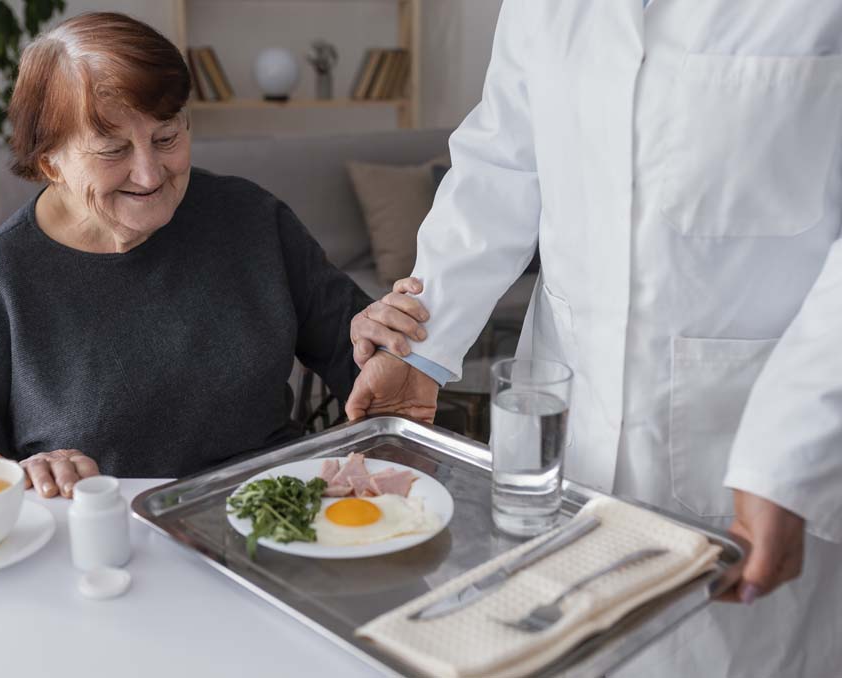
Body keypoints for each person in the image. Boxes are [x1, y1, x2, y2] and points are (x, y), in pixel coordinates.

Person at [344, 2, 842, 676]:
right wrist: (424, 347)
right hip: (559, 446)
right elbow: (502, 163)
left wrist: (785, 462)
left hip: (755, 451)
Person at [0, 12, 423, 499]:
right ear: (49, 162)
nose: (150, 173)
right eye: (113, 150)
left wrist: (387, 352)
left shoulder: (250, 217)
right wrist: (25, 476)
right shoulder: (2, 278)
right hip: (110, 547)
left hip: (272, 517)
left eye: (166, 137)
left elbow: (360, 360)